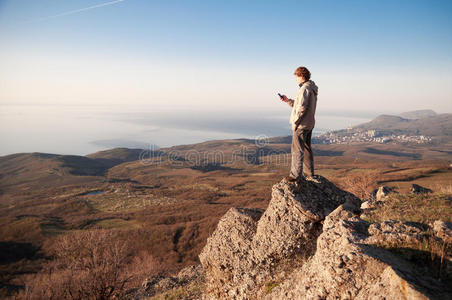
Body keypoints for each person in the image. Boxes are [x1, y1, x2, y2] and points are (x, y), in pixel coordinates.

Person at [279, 66, 319, 183]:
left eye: (296, 77)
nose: (296, 79)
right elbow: (299, 105)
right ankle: (309, 173)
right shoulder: (311, 88)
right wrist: (288, 101)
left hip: (301, 124)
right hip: (309, 123)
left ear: (301, 76)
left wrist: (295, 122)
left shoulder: (304, 89)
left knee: (297, 149)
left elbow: (301, 108)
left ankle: (295, 175)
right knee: (306, 148)